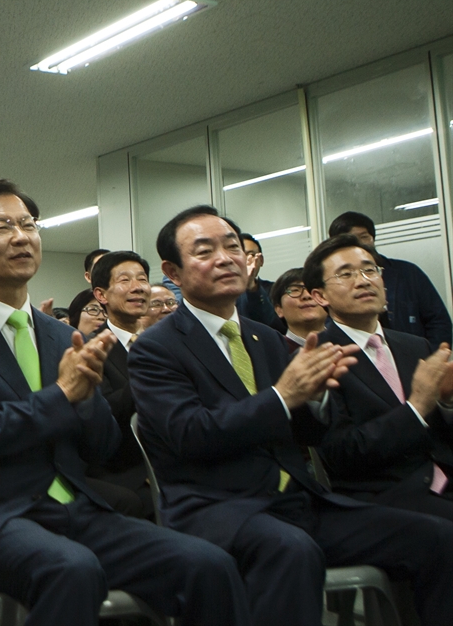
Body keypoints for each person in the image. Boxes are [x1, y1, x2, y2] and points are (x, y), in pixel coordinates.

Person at [0, 181, 248, 626]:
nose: (21, 236)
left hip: (74, 510)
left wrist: (87, 399)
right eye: (2, 226)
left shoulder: (60, 335)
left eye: (29, 225)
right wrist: (63, 395)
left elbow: (103, 448)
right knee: (72, 569)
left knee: (208, 565)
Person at [128, 205, 453, 626]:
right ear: (173, 271)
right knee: (292, 549)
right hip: (217, 508)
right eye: (206, 251)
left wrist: (314, 399)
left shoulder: (263, 338)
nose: (226, 258)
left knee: (436, 537)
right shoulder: (157, 347)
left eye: (232, 247)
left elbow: (306, 431)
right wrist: (284, 395)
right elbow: (191, 434)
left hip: (295, 501)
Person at [308, 235, 453, 521]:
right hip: (385, 497)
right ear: (320, 296)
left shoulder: (416, 346)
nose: (363, 281)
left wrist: (447, 403)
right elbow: (341, 455)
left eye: (370, 270)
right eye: (345, 274)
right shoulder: (320, 360)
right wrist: (416, 408)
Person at [87, 251, 155, 519]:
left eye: (142, 279)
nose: (138, 287)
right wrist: (147, 372)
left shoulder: (164, 344)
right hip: (125, 470)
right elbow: (101, 413)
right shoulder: (91, 347)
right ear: (101, 295)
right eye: (125, 280)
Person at [330, 210, 452, 347]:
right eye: (349, 239)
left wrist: (430, 358)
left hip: (414, 358)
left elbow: (439, 321)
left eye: (364, 237)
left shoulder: (408, 273)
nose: (358, 243)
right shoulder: (332, 280)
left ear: (373, 239)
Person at [270, 268, 326, 353]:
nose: (307, 295)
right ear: (279, 309)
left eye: (313, 289)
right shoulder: (272, 352)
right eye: (295, 290)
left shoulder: (346, 340)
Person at [237, 234, 280, 329]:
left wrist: (251, 284)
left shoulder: (275, 290)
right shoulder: (221, 292)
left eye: (250, 255)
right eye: (240, 254)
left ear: (261, 260)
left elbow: (274, 324)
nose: (246, 260)